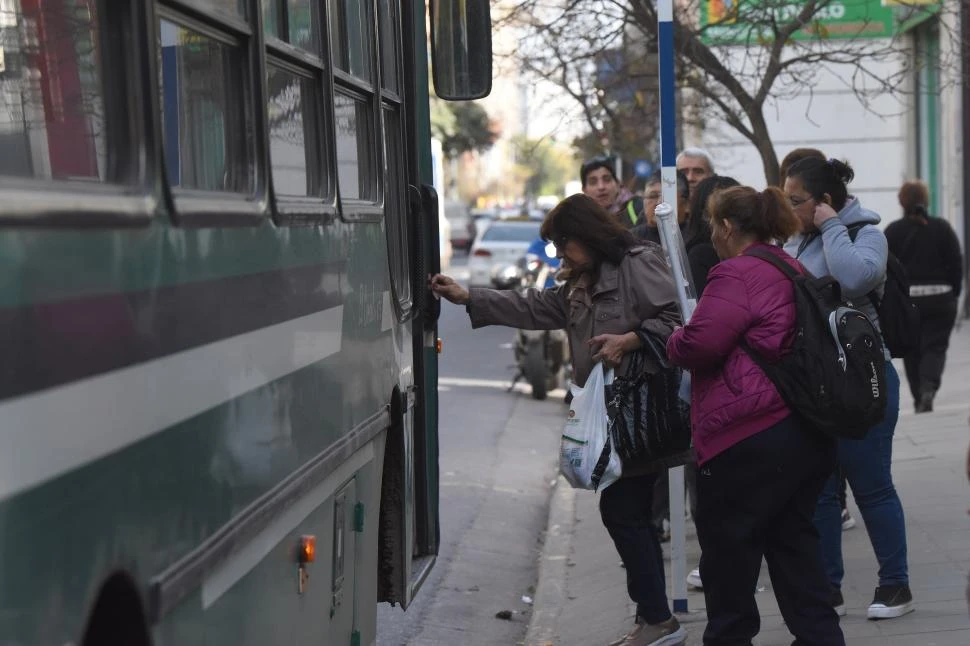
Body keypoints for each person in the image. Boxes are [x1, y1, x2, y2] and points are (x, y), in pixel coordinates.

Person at [431, 194, 686, 646]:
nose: (560, 254)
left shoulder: (637, 263)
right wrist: (469, 296)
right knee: (625, 513)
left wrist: (630, 340)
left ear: (587, 235)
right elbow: (537, 307)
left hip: (642, 411)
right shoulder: (579, 281)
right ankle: (654, 617)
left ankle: (657, 620)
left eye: (563, 243)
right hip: (609, 416)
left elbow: (681, 319)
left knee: (623, 512)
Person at [666, 186, 845, 646]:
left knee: (729, 570)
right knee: (798, 556)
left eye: (713, 225)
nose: (712, 234)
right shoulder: (792, 266)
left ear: (727, 227)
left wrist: (674, 337)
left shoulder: (735, 275)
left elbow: (699, 345)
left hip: (745, 438)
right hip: (803, 433)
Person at [784, 157, 914, 620]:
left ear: (824, 202)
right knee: (820, 489)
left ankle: (895, 585)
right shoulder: (794, 242)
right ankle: (827, 589)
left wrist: (833, 226)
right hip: (818, 384)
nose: (788, 208)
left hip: (866, 381)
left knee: (871, 485)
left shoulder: (866, 236)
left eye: (796, 200)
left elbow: (855, 277)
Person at [885, 180, 963, 413]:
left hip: (910, 300)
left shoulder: (893, 231)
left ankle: (919, 394)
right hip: (941, 298)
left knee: (912, 349)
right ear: (925, 200)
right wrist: (955, 294)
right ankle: (929, 387)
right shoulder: (942, 228)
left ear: (902, 201)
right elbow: (956, 264)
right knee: (935, 347)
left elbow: (886, 269)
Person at [581, 156, 644, 228]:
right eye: (593, 182)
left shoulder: (638, 208)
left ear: (618, 184)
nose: (601, 187)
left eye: (607, 179)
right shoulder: (581, 222)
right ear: (584, 190)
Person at [632, 171, 689, 245]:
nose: (659, 202)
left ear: (687, 204)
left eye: (667, 196)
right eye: (653, 196)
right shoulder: (630, 240)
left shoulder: (696, 239)